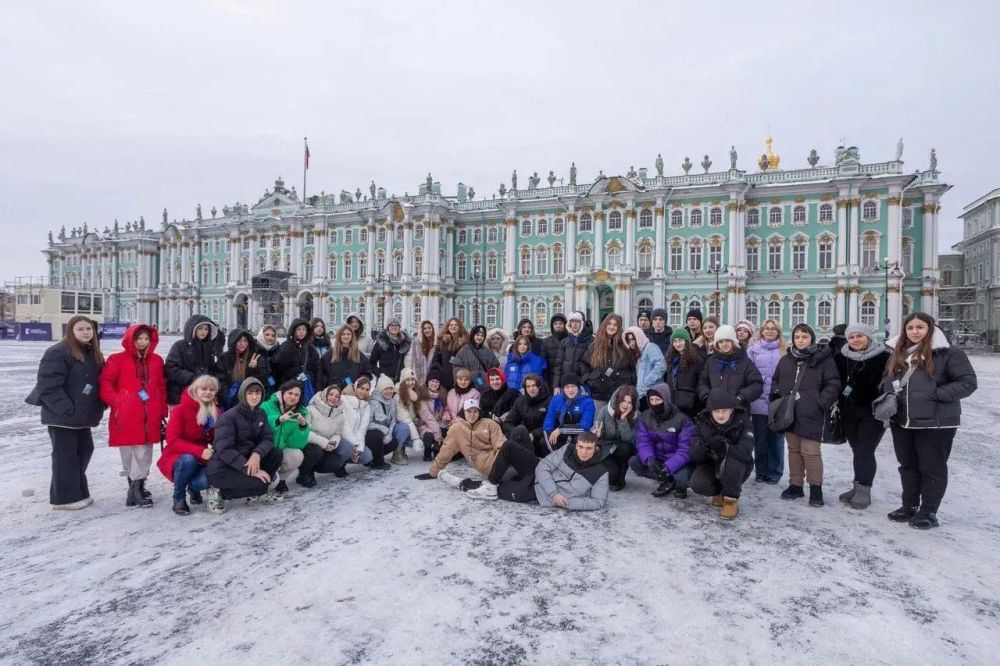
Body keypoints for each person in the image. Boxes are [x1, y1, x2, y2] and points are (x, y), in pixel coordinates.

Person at [881, 312, 977, 529]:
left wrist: (936, 394)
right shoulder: (898, 353)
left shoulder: (948, 353)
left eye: (920, 327)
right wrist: (886, 391)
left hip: (936, 423)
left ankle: (928, 512)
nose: (915, 331)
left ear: (930, 329)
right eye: (910, 328)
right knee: (908, 465)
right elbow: (886, 379)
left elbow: (968, 382)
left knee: (932, 467)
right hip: (903, 421)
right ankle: (910, 505)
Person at [28, 315, 105, 510]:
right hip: (62, 416)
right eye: (80, 329)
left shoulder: (92, 353)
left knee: (84, 450)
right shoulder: (58, 351)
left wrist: (100, 404)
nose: (86, 332)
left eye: (89, 328)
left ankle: (79, 493)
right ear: (71, 331)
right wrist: (65, 408)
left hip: (81, 416)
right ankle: (64, 499)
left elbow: (96, 383)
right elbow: (48, 385)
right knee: (65, 456)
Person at [770, 323, 841, 508]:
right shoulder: (786, 360)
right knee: (793, 450)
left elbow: (833, 383)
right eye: (797, 337)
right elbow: (776, 379)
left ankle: (816, 488)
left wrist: (821, 402)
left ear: (812, 339)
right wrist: (777, 395)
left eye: (805, 336)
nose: (800, 340)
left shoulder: (823, 360)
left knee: (811, 452)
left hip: (812, 412)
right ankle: (795, 485)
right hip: (789, 412)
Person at [98, 323, 168, 508]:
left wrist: (161, 410)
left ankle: (137, 489)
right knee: (128, 453)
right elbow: (106, 383)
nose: (143, 342)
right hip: (126, 415)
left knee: (144, 452)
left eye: (146, 339)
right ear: (131, 339)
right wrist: (119, 400)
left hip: (149, 414)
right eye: (140, 339)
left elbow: (161, 387)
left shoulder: (156, 361)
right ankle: (134, 488)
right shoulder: (116, 360)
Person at [462, 431, 610, 510]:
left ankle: (466, 484)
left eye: (589, 448)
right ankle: (490, 484)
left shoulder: (600, 472)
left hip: (537, 492)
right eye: (581, 447)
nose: (583, 452)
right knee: (508, 446)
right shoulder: (568, 450)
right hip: (536, 470)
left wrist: (567, 502)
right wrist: (555, 492)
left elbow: (598, 502)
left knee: (501, 489)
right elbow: (544, 465)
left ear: (596, 449)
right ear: (576, 445)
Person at [833, 323, 892, 510]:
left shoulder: (884, 357)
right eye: (851, 337)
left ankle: (864, 490)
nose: (855, 340)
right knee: (856, 450)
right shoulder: (841, 357)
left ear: (868, 337)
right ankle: (857, 486)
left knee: (865, 450)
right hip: (849, 411)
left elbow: (892, 381)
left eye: (860, 336)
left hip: (873, 411)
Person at [205, 377, 284, 513]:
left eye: (257, 393)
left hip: (246, 459)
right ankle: (219, 493)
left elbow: (268, 438)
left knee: (276, 453)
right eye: (250, 393)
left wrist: (257, 454)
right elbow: (225, 450)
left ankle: (255, 494)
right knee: (261, 483)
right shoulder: (229, 417)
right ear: (243, 394)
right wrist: (253, 470)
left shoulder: (260, 413)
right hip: (222, 468)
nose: (254, 397)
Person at [684, 388, 754, 520]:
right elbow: (693, 454)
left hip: (738, 465)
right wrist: (707, 446)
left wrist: (724, 446)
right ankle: (719, 492)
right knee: (697, 483)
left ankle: (731, 501)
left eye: (724, 411)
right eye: (716, 411)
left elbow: (745, 452)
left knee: (732, 462)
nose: (720, 415)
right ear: (710, 411)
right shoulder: (702, 422)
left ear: (731, 410)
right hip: (712, 463)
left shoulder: (743, 422)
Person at [159, 375, 218, 515]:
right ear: (195, 389)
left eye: (212, 389)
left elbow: (217, 437)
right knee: (188, 460)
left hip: (202, 457)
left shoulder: (214, 411)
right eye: (204, 388)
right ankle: (178, 498)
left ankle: (193, 488)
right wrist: (199, 451)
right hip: (178, 456)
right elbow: (172, 440)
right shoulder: (180, 410)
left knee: (205, 480)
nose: (208, 392)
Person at [419, 398, 506, 490]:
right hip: (489, 470)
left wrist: (503, 463)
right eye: (468, 411)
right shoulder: (457, 429)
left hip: (502, 463)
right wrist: (433, 472)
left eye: (475, 411)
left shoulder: (490, 424)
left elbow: (501, 444)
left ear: (479, 412)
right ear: (463, 412)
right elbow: (445, 452)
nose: (472, 415)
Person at [630, 384, 695, 498]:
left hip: (677, 462)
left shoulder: (682, 420)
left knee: (682, 478)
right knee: (635, 462)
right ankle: (665, 480)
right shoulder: (645, 417)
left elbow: (685, 450)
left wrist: (669, 467)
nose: (654, 403)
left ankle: (678, 483)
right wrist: (649, 459)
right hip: (658, 459)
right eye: (652, 399)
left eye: (658, 399)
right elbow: (643, 442)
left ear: (665, 399)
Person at [303, 384, 373, 482]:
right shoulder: (311, 409)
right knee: (315, 451)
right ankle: (306, 473)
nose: (333, 398)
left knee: (338, 460)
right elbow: (305, 432)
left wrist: (332, 443)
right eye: (331, 394)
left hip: (328, 445)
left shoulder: (339, 414)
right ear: (325, 395)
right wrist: (324, 443)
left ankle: (331, 467)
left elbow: (337, 433)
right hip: (311, 444)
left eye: (337, 396)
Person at [746, 319, 786, 484]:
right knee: (760, 440)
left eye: (773, 329)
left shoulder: (784, 351)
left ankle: (775, 472)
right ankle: (761, 471)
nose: (770, 331)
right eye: (767, 329)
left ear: (778, 332)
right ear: (761, 331)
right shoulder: (753, 351)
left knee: (776, 440)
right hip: (758, 401)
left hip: (777, 403)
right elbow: (748, 375)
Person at [260, 380, 315, 492]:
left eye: (296, 395)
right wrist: (278, 420)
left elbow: (297, 444)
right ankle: (263, 483)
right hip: (263, 450)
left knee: (297, 455)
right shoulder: (266, 406)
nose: (293, 397)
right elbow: (259, 424)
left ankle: (281, 480)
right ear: (282, 393)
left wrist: (302, 427)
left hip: (280, 451)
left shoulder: (301, 413)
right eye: (290, 393)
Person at [697, 325, 763, 410]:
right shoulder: (711, 362)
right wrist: (707, 397)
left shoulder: (745, 362)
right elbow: (703, 382)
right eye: (721, 342)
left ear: (734, 342)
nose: (724, 344)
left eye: (727, 341)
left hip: (738, 410)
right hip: (715, 410)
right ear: (717, 344)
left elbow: (757, 384)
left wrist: (741, 397)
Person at [164, 314, 224, 405]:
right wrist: (193, 378)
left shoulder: (209, 348)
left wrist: (211, 381)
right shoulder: (180, 346)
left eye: (206, 329)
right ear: (192, 328)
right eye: (200, 328)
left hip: (203, 395)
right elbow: (170, 369)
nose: (203, 332)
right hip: (180, 396)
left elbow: (212, 369)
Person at [584, 314, 636, 411]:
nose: (612, 327)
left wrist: (628, 385)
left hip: (619, 392)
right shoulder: (594, 345)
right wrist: (590, 380)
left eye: (615, 325)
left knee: (618, 421)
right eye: (609, 323)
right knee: (599, 422)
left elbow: (632, 369)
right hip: (599, 392)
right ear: (604, 325)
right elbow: (584, 364)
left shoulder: (625, 346)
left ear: (619, 327)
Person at [594, 386, 639, 491]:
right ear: (617, 399)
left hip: (623, 451)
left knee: (627, 447)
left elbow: (630, 439)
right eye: (623, 401)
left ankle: (621, 477)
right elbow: (596, 429)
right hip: (606, 449)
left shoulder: (637, 417)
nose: (626, 405)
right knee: (611, 476)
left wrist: (623, 420)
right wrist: (597, 434)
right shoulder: (605, 411)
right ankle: (611, 474)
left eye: (629, 402)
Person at [341, 376, 389, 470]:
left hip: (355, 438)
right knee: (346, 448)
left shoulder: (366, 405)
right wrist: (354, 445)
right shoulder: (344, 400)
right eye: (361, 388)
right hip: (341, 437)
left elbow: (362, 429)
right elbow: (344, 426)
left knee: (367, 456)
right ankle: (340, 466)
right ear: (355, 387)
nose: (364, 392)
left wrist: (358, 448)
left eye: (367, 390)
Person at [270, 318, 321, 401]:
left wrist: (317, 388)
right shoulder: (286, 346)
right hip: (288, 387)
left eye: (304, 329)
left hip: (305, 387)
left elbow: (317, 369)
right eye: (298, 329)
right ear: (293, 331)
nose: (301, 332)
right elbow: (278, 368)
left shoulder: (310, 348)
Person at [502, 373, 552, 456]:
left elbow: (553, 424)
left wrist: (534, 434)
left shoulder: (550, 401)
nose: (531, 389)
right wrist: (519, 434)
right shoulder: (520, 402)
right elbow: (508, 423)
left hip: (542, 436)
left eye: (534, 386)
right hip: (525, 436)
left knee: (544, 441)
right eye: (528, 386)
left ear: (539, 386)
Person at [219, 328, 270, 409]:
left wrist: (252, 369)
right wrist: (227, 396)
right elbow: (220, 379)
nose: (242, 344)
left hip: (249, 400)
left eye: (245, 340)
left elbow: (262, 381)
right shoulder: (225, 357)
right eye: (239, 340)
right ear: (233, 341)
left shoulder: (256, 357)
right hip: (229, 401)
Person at [543, 374, 596, 452]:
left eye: (573, 386)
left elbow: (585, 426)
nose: (570, 390)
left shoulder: (587, 402)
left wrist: (561, 430)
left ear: (578, 387)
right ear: (563, 389)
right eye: (567, 387)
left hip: (579, 435)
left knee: (578, 441)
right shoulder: (556, 400)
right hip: (561, 433)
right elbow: (548, 421)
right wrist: (551, 445)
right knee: (544, 442)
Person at [665, 329, 705, 419]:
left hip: (690, 404)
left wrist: (693, 397)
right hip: (674, 402)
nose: (677, 344)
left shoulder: (695, 359)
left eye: (680, 340)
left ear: (686, 341)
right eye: (674, 341)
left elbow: (700, 381)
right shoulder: (671, 359)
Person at [623, 326, 666, 408]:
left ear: (638, 336)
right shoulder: (637, 353)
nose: (631, 343)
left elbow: (661, 366)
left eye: (633, 339)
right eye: (628, 341)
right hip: (642, 395)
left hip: (653, 394)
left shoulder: (650, 347)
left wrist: (647, 381)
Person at [369, 373, 406, 467]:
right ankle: (375, 460)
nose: (389, 391)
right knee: (377, 435)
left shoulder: (392, 401)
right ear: (380, 390)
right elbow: (367, 423)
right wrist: (384, 430)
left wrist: (389, 434)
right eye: (386, 389)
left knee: (393, 443)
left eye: (391, 388)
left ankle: (374, 457)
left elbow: (393, 420)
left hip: (385, 434)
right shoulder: (373, 403)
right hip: (372, 435)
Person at [320, 324, 372, 389]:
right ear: (339, 336)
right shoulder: (330, 354)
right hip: (333, 392)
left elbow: (367, 372)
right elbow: (322, 372)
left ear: (352, 336)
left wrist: (358, 383)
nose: (346, 336)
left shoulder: (358, 355)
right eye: (343, 334)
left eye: (348, 334)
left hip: (351, 392)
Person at [554, 310, 592, 393]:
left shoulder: (589, 341)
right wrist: (556, 385)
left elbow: (590, 365)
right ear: (569, 323)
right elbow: (558, 365)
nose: (574, 324)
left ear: (581, 323)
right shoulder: (565, 341)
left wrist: (585, 381)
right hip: (566, 383)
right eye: (572, 321)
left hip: (582, 384)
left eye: (577, 321)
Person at [452, 324, 499, 389]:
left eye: (482, 335)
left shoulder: (488, 352)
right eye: (477, 335)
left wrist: (485, 377)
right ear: (473, 335)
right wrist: (467, 377)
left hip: (484, 387)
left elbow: (495, 368)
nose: (479, 337)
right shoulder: (464, 350)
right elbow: (456, 367)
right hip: (467, 386)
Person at [429, 317, 468, 391]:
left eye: (456, 325)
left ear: (460, 327)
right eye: (451, 325)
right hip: (445, 380)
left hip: (461, 380)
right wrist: (441, 372)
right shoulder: (442, 341)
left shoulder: (465, 343)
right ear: (447, 327)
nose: (453, 326)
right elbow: (436, 360)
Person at [393, 368, 422, 464]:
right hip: (398, 427)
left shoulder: (414, 394)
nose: (411, 382)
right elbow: (403, 418)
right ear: (402, 382)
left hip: (411, 423)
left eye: (412, 379)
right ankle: (397, 451)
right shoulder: (398, 396)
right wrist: (416, 438)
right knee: (404, 428)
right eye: (407, 380)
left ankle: (402, 449)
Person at [416, 370, 447, 461]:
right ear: (427, 382)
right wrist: (438, 431)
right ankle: (427, 451)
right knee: (429, 434)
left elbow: (446, 409)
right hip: (425, 424)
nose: (434, 383)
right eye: (432, 381)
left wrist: (445, 417)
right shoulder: (422, 397)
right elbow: (427, 417)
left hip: (439, 422)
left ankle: (437, 448)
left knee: (446, 430)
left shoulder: (442, 395)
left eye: (437, 382)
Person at [370, 318, 412, 382]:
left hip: (400, 381)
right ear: (388, 327)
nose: (394, 327)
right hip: (384, 381)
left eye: (396, 325)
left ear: (399, 327)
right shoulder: (380, 343)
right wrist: (380, 374)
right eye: (392, 325)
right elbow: (372, 363)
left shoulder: (405, 343)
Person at [540, 314, 568, 389]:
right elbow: (543, 363)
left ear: (565, 325)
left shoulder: (570, 340)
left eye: (560, 323)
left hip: (567, 379)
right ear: (552, 326)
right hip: (551, 381)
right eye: (555, 324)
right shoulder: (546, 341)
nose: (558, 326)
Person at [409, 320, 438, 384]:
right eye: (424, 328)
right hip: (418, 377)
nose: (427, 330)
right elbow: (412, 360)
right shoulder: (416, 343)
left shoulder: (438, 344)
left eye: (429, 328)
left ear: (433, 329)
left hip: (433, 379)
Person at [255, 324, 281, 390]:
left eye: (273, 335)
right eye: (267, 334)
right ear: (261, 335)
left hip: (274, 387)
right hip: (256, 388)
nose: (270, 337)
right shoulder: (254, 349)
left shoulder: (278, 349)